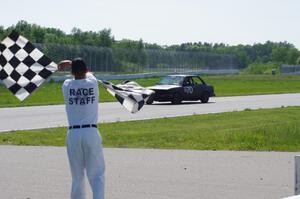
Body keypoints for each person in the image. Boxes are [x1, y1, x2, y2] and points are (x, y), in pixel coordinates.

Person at [58, 58, 105, 199]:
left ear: (72, 72)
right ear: (86, 70)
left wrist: (68, 64)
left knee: (77, 175)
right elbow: (89, 74)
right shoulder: (93, 82)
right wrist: (71, 62)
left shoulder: (67, 85)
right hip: (90, 131)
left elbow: (76, 74)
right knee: (96, 174)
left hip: (73, 133)